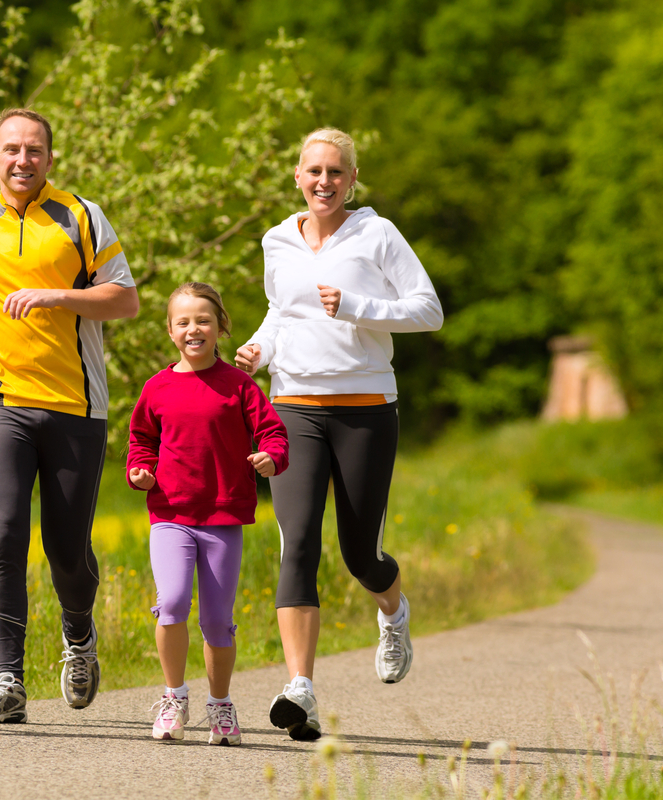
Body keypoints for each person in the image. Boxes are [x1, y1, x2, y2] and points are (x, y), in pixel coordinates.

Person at [235, 128, 444, 741]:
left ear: (353, 180)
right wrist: (259, 347)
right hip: (293, 405)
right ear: (297, 176)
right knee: (296, 541)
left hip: (365, 407)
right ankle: (299, 686)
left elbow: (428, 309)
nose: (323, 181)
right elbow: (282, 311)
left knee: (360, 553)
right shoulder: (277, 239)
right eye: (313, 171)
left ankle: (393, 610)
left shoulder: (377, 234)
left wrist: (358, 306)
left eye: (336, 172)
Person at [0, 108, 139, 723]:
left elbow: (125, 300)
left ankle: (78, 637)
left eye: (34, 150)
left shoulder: (81, 215)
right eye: (11, 149)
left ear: (49, 158)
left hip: (77, 404)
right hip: (0, 401)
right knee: (1, 536)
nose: (22, 160)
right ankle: (8, 682)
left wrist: (58, 297)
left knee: (67, 548)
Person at [127, 283, 289, 746]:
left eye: (203, 320)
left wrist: (270, 457)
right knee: (173, 601)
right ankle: (174, 697)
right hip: (171, 514)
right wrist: (140, 471)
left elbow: (272, 432)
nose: (193, 329)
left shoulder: (239, 386)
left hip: (222, 516)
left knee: (217, 621)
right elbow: (141, 441)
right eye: (183, 322)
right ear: (171, 331)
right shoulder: (157, 387)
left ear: (220, 327)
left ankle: (220, 706)